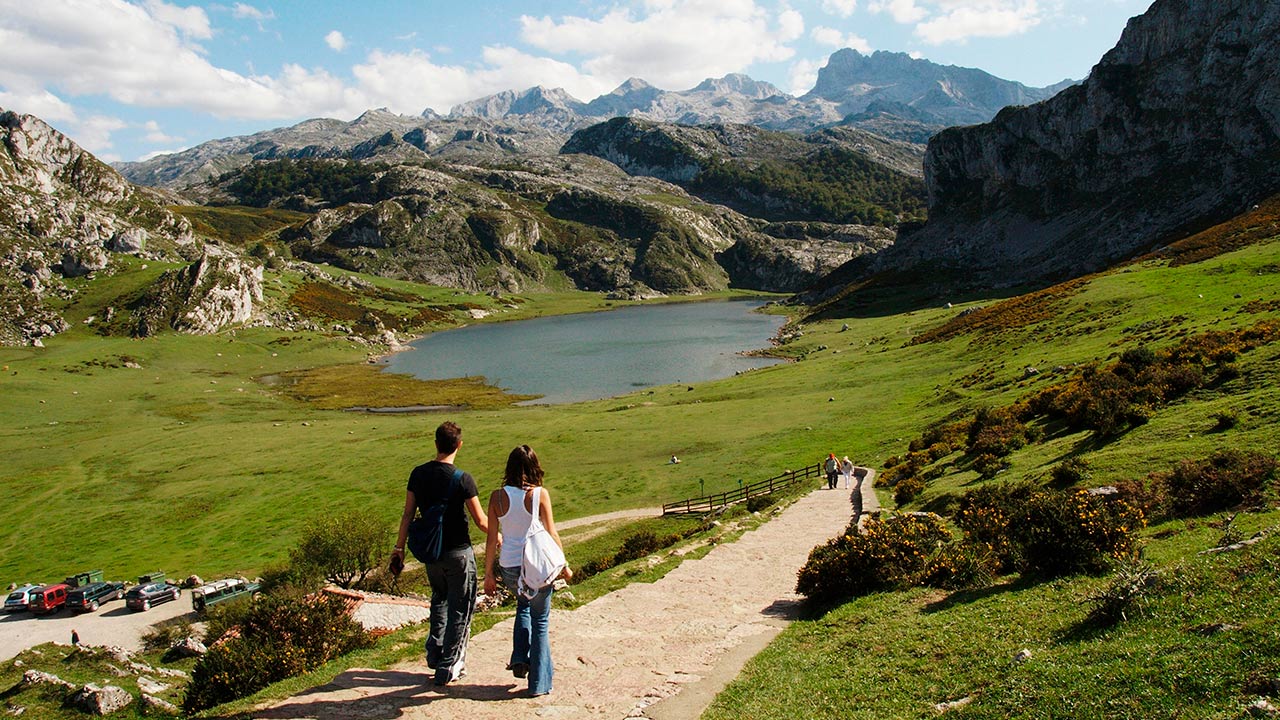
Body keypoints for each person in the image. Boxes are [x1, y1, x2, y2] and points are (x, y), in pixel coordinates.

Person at [392, 421, 489, 687]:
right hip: (459, 551)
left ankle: (435, 651)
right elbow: (480, 520)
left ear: (436, 444)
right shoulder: (463, 479)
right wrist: (500, 536)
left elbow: (408, 513)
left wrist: (399, 548)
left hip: (432, 553)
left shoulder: (418, 474)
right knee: (462, 607)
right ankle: (449, 665)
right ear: (459, 445)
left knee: (440, 599)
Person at [484, 445, 568, 697]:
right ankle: (539, 684)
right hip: (537, 566)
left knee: (523, 606)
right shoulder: (540, 494)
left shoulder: (496, 497)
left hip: (509, 566)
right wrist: (563, 564)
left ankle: (520, 656)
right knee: (540, 621)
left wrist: (488, 573)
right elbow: (552, 532)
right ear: (534, 468)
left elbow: (490, 539)